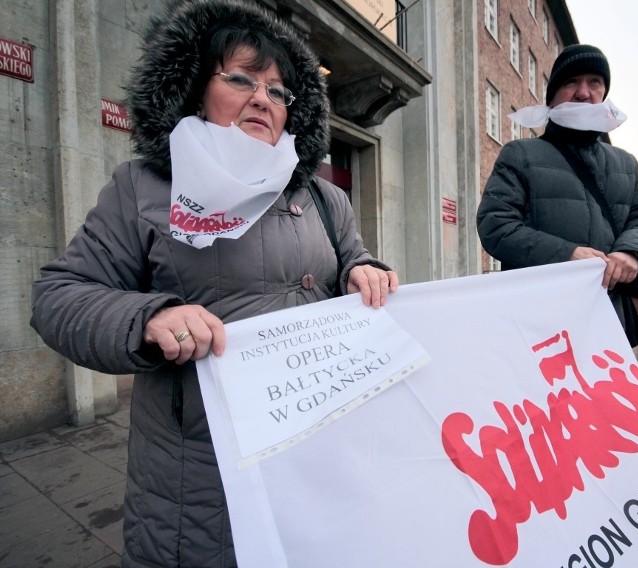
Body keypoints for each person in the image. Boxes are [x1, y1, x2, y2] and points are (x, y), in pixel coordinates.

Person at [29, 1, 397, 566]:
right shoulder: (143, 186)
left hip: (316, 452)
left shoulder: (326, 197)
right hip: (201, 471)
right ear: (198, 89)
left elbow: (353, 261)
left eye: (278, 91)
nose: (262, 98)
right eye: (241, 78)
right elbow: (59, 296)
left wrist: (363, 272)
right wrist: (149, 318)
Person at [476, 44, 638, 346]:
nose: (583, 92)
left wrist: (632, 252)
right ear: (553, 95)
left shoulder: (625, 163)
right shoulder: (520, 154)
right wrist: (567, 255)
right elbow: (496, 227)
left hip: (608, 320)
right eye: (571, 82)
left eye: (594, 82)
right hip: (539, 326)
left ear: (604, 93)